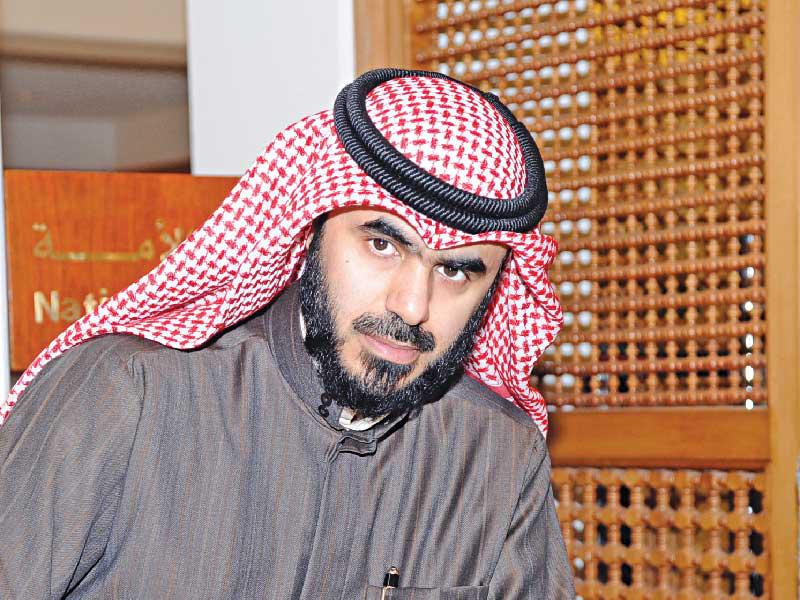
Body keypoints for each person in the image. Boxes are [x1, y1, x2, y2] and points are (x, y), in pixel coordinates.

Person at [0, 69, 573, 598]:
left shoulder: (498, 454)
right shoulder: (127, 393)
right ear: (313, 229)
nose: (412, 305)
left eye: (454, 272)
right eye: (382, 245)